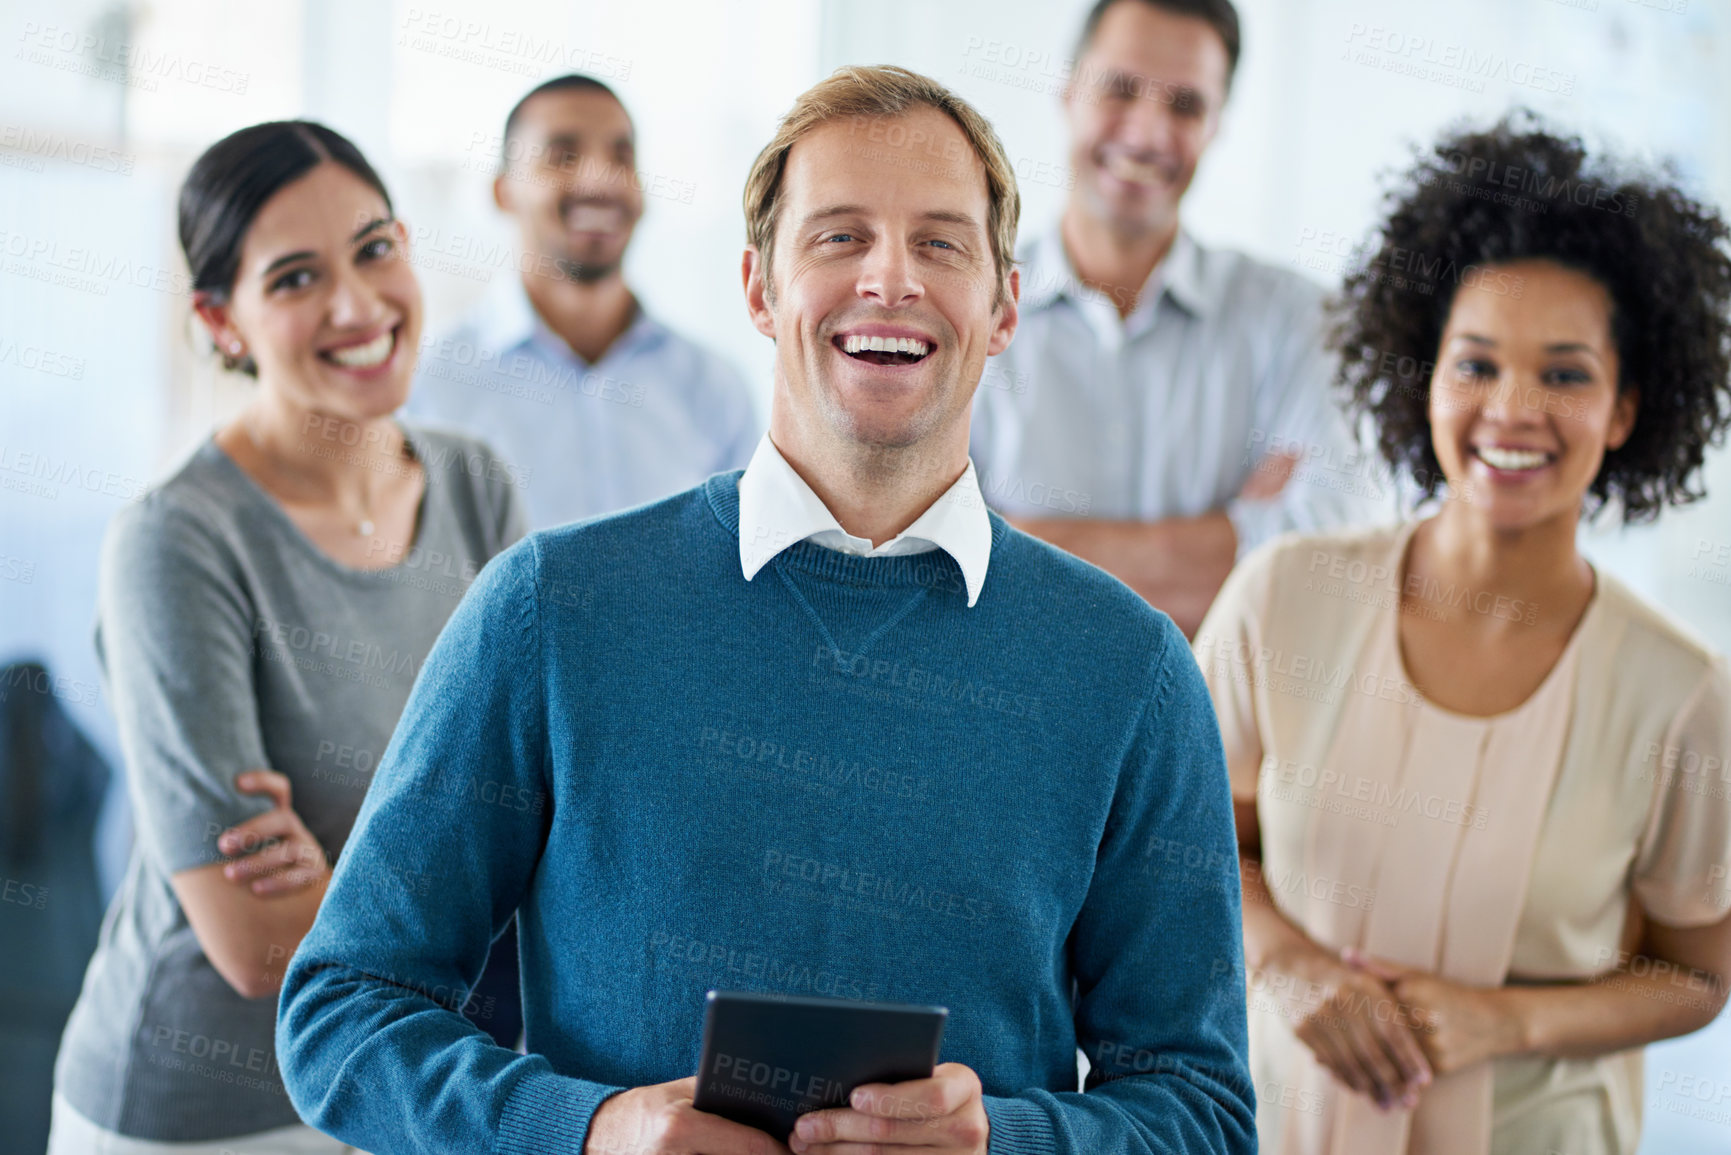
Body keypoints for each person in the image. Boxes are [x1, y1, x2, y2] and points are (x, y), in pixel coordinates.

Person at [277, 65, 1255, 1155]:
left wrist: (1005, 1144)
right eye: (839, 237)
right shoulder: (551, 611)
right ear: (757, 288)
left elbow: (1203, 1114)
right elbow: (343, 1010)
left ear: (1004, 304)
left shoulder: (1131, 672)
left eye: (940, 243)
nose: (890, 278)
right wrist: (587, 1130)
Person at [1193, 115, 1731, 1154]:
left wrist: (1512, 1019)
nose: (1512, 408)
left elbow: (1700, 971)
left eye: (1567, 374)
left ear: (1625, 410)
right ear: (1426, 377)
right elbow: (1196, 852)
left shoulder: (1682, 695)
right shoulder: (1283, 601)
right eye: (1476, 364)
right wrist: (1290, 968)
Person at [48, 121, 526, 1154]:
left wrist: (342, 873)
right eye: (297, 277)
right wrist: (465, 873)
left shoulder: (474, 487)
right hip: (202, 1110)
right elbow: (261, 944)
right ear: (221, 320)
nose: (357, 305)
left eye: (374, 249)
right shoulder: (176, 541)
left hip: (406, 1086)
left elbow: (548, 806)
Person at [970, 0, 1379, 637]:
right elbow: (924, 564)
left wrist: (1013, 548)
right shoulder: (963, 306)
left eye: (1185, 106)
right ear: (1068, 90)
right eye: (1120, 89)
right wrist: (1240, 537)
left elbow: (1330, 568)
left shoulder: (1301, 322)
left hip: (1214, 734)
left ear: (1217, 125)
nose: (1147, 134)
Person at [405, 73, 760, 530]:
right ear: (503, 192)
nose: (600, 179)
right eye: (563, 155)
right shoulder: (431, 386)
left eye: (621, 155)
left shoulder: (713, 389)